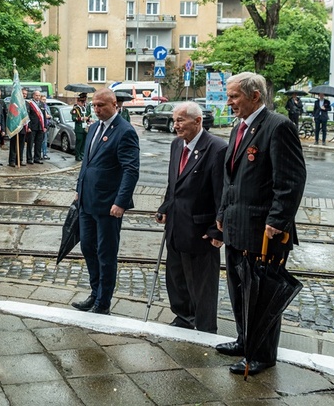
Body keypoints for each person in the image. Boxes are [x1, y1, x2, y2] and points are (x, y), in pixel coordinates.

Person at [215, 72, 306, 377]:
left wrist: (278, 221)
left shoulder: (278, 126)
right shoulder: (238, 129)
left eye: (234, 96)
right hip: (236, 226)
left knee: (261, 295)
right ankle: (244, 340)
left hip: (264, 231)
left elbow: (291, 180)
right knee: (240, 290)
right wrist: (222, 212)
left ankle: (262, 355)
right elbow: (232, 180)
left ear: (255, 96)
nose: (229, 103)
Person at [156, 102, 227, 333]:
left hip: (201, 229)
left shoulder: (216, 148)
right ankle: (183, 316)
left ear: (198, 121)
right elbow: (173, 183)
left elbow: (222, 193)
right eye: (174, 120)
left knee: (202, 283)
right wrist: (165, 206)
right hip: (176, 225)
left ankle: (206, 327)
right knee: (176, 277)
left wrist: (218, 230)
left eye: (181, 120)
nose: (175, 125)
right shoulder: (177, 145)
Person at [71, 89, 140, 315]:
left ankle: (103, 302)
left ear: (114, 104)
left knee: (106, 253)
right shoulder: (93, 128)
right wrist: (78, 189)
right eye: (94, 105)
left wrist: (121, 202)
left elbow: (131, 170)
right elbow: (87, 163)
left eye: (101, 105)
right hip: (87, 201)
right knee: (88, 247)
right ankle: (95, 292)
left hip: (109, 205)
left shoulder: (125, 131)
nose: (97, 109)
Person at [26, 90, 46, 164]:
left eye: (39, 96)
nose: (38, 97)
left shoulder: (42, 104)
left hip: (40, 127)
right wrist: (29, 126)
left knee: (39, 143)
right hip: (32, 127)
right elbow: (28, 116)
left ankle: (37, 158)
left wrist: (45, 126)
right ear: (33, 96)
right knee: (30, 144)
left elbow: (43, 116)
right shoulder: (30, 104)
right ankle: (29, 159)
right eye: (36, 95)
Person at [71, 93, 91, 161]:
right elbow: (74, 118)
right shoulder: (76, 109)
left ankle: (82, 154)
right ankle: (77, 155)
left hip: (85, 128)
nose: (83, 103)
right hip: (79, 128)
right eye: (82, 102)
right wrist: (82, 118)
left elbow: (89, 116)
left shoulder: (86, 108)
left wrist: (89, 120)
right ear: (78, 101)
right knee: (79, 142)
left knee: (84, 142)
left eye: (84, 102)